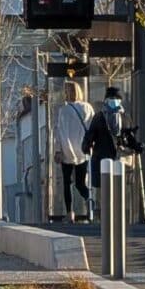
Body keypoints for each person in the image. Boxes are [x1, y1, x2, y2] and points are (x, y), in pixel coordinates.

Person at [52, 78, 95, 222]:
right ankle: (90, 201)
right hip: (83, 150)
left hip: (67, 150)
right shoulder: (88, 108)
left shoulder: (63, 110)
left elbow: (59, 131)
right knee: (81, 183)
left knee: (67, 182)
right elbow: (92, 128)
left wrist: (57, 150)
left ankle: (70, 212)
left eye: (66, 91)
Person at [83, 86, 122, 164]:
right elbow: (91, 134)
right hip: (102, 157)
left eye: (115, 99)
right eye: (111, 99)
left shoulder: (123, 117)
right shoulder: (99, 117)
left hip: (113, 157)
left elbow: (127, 134)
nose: (113, 102)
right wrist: (86, 145)